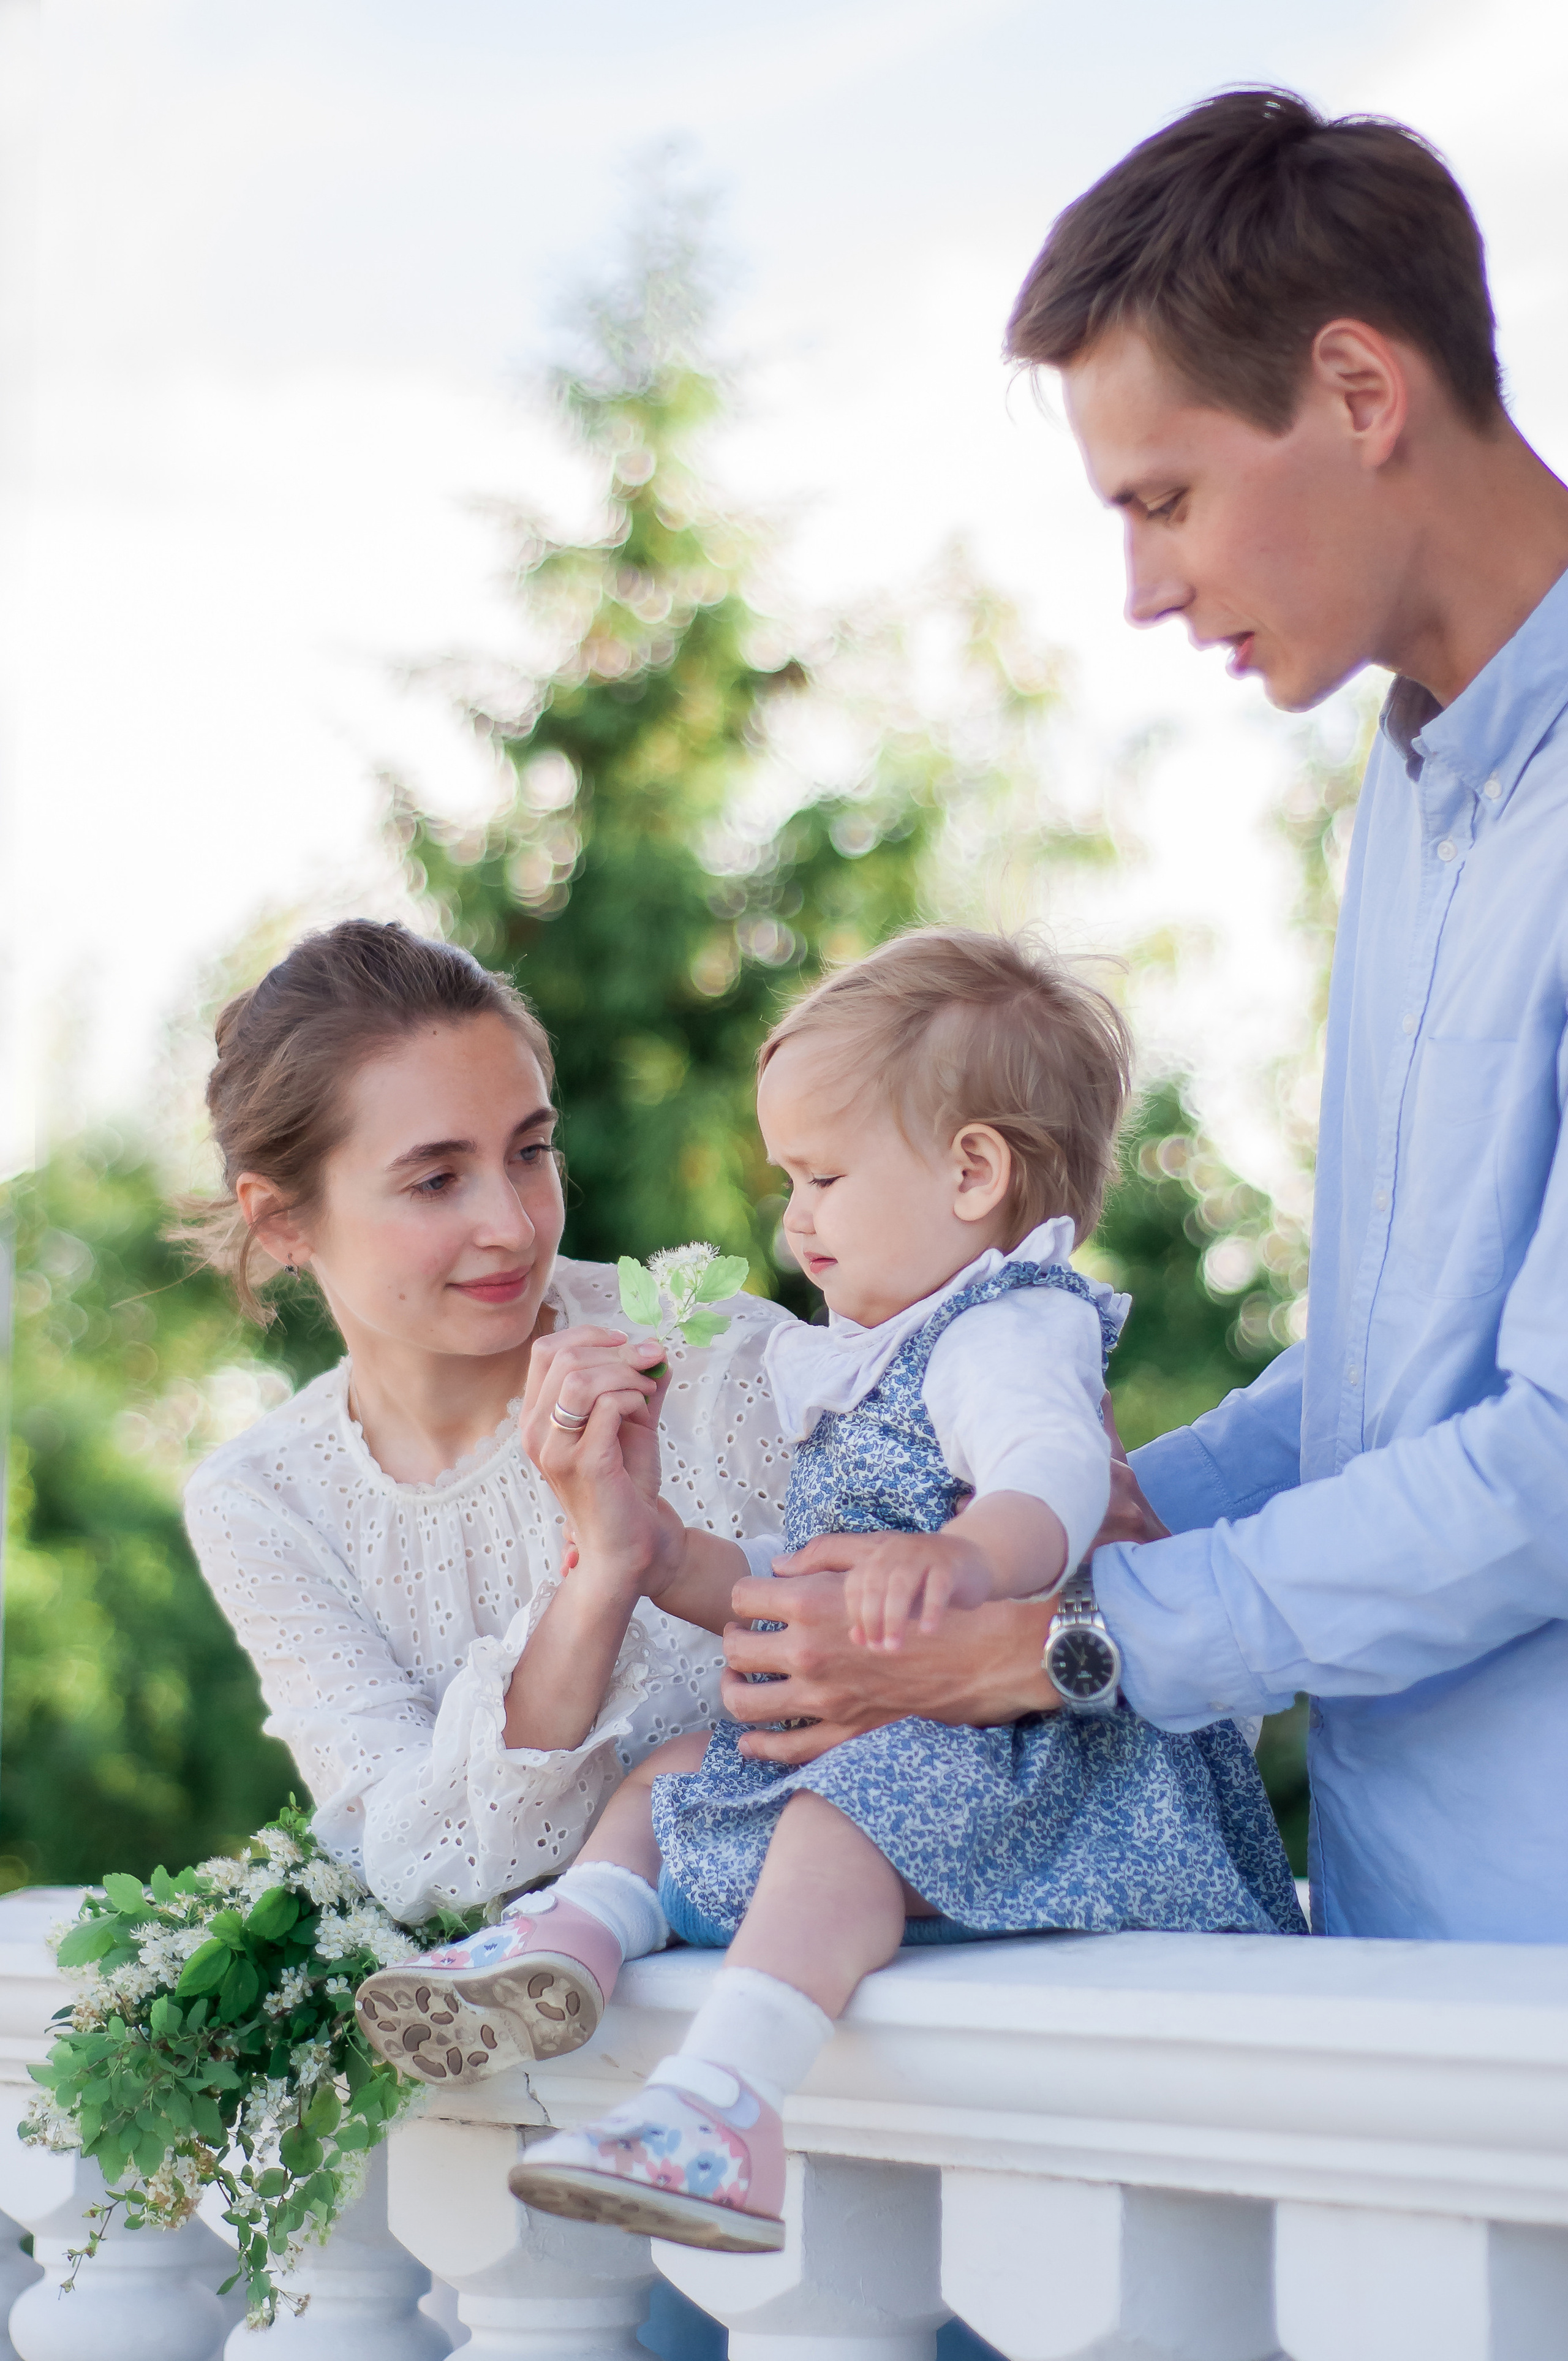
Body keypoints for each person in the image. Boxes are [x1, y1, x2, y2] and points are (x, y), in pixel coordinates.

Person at [697, 89, 1568, 1945]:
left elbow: (1553, 1466)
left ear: (1357, 388)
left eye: (1163, 499)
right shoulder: (1418, 797)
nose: (1144, 586)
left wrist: (1062, 1643)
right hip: (1405, 1955)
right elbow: (1390, 1384)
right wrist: (1037, 1512)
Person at [358, 929, 1302, 2254]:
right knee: (677, 1764)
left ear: (971, 1170)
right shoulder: (878, 1352)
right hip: (929, 1738)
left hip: (1039, 1757)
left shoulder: (1003, 1326)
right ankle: (568, 1939)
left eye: (823, 1176)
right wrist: (654, 1545)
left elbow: (1053, 1474)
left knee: (837, 1811)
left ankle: (724, 2102)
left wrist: (971, 1559)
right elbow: (797, 1590)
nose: (794, 1219)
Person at [181, 919, 793, 1978]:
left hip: (815, 2015)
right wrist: (605, 1571)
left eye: (530, 1151)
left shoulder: (717, 1360)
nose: (513, 1224)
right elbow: (422, 1857)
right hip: (538, 2086)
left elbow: (915, 1651)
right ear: (282, 1221)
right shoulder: (265, 1500)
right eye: (435, 1180)